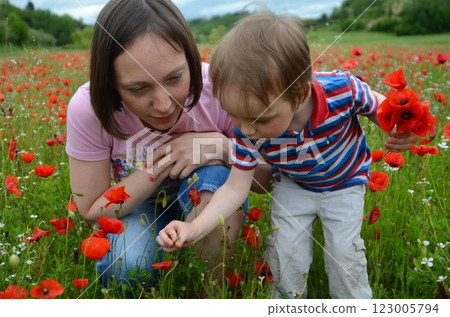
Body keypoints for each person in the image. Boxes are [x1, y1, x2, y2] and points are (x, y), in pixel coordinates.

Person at [157, 12, 419, 298]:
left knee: (345, 256)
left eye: (259, 118)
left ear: (300, 93)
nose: (245, 129)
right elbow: (234, 188)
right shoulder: (248, 128)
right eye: (235, 115)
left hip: (345, 183)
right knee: (284, 256)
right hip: (294, 185)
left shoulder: (343, 90)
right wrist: (195, 227)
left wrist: (405, 128)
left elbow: (387, 110)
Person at [66, 0, 272, 288]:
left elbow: (268, 181)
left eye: (175, 77)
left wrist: (223, 148)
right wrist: (163, 163)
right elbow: (92, 211)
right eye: (138, 89)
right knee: (129, 266)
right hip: (137, 210)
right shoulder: (90, 109)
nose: (163, 105)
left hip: (210, 198)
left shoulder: (221, 90)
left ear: (190, 58)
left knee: (213, 176)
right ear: (110, 81)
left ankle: (208, 290)